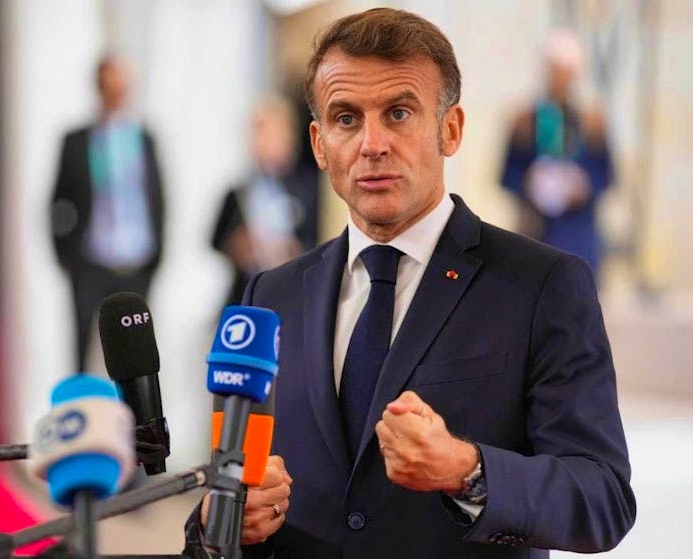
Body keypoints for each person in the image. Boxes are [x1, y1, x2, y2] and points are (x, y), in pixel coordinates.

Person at [187, 8, 634, 558]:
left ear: (451, 129)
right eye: (346, 118)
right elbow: (233, 494)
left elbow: (603, 498)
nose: (372, 143)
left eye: (398, 113)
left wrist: (468, 471)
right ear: (319, 142)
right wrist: (223, 520)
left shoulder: (543, 285)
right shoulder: (269, 298)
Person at [50, 55, 165, 371]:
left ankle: (135, 418)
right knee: (81, 351)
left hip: (136, 260)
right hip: (91, 259)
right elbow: (58, 200)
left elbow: (158, 199)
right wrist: (64, 253)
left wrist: (157, 254)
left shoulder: (144, 139)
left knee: (134, 355)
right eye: (109, 88)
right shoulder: (77, 141)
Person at [500, 29, 613, 278]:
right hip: (536, 235)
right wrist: (529, 183)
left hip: (579, 238)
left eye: (566, 74)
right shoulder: (525, 122)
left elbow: (606, 176)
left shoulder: (592, 123)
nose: (560, 81)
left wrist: (583, 188)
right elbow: (507, 175)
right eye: (555, 73)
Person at [212, 94, 320, 308]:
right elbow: (215, 238)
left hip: (293, 295)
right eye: (256, 134)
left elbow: (322, 239)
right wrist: (235, 246)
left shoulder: (308, 187)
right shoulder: (239, 191)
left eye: (269, 134)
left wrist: (296, 251)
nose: (261, 142)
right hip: (245, 295)